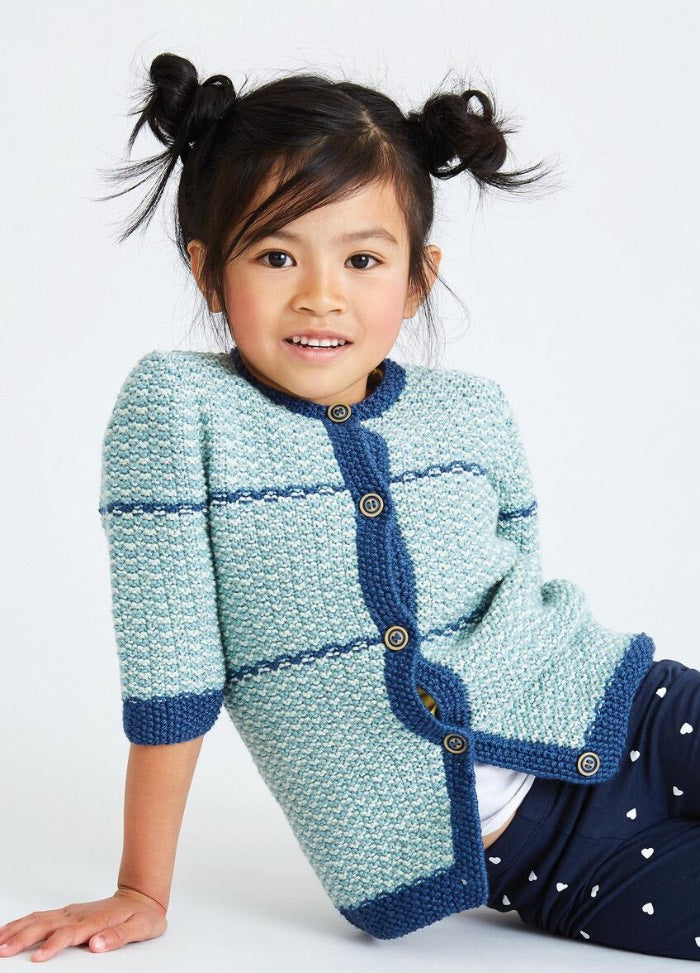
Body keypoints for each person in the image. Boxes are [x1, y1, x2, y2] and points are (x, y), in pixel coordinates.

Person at [1, 51, 698, 964]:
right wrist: (142, 887)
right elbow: (172, 671)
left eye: (363, 257)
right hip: (547, 851)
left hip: (638, 707)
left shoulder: (472, 410)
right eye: (276, 253)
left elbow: (524, 589)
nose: (320, 294)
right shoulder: (177, 411)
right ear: (208, 270)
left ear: (415, 277)